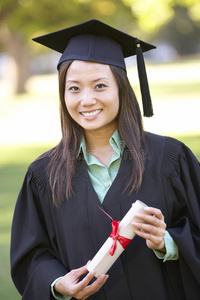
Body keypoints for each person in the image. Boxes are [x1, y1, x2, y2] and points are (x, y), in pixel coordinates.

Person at [10, 19, 200, 300]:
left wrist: (168, 242)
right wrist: (58, 283)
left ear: (121, 89)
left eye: (99, 86)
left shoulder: (170, 159)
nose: (86, 100)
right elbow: (32, 255)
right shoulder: (43, 175)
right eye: (74, 88)